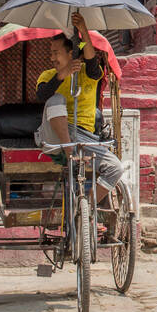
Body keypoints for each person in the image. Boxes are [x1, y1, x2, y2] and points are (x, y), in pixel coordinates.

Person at [35, 12, 124, 208]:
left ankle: (85, 209)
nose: (51, 58)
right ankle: (70, 154)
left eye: (55, 52)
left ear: (71, 53)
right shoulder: (48, 75)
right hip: (55, 137)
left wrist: (83, 29)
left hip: (84, 139)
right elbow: (42, 95)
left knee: (116, 168)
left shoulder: (90, 74)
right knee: (56, 99)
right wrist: (62, 75)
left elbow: (92, 65)